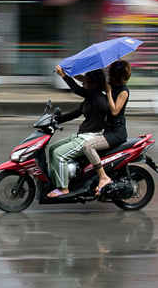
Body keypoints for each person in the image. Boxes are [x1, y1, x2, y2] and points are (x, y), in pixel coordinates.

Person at [47, 65, 109, 198]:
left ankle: (63, 188)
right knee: (52, 149)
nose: (83, 83)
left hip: (90, 137)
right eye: (83, 81)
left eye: (86, 82)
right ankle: (56, 181)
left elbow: (76, 89)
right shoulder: (90, 99)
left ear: (94, 84)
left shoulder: (97, 97)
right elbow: (75, 113)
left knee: (59, 154)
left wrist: (63, 75)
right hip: (81, 135)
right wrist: (55, 120)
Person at [81, 60, 132, 196]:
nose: (109, 77)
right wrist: (66, 74)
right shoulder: (110, 85)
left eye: (112, 75)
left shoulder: (123, 91)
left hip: (117, 133)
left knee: (88, 147)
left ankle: (103, 178)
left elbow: (115, 111)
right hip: (107, 130)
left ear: (118, 76)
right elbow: (87, 81)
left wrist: (108, 93)